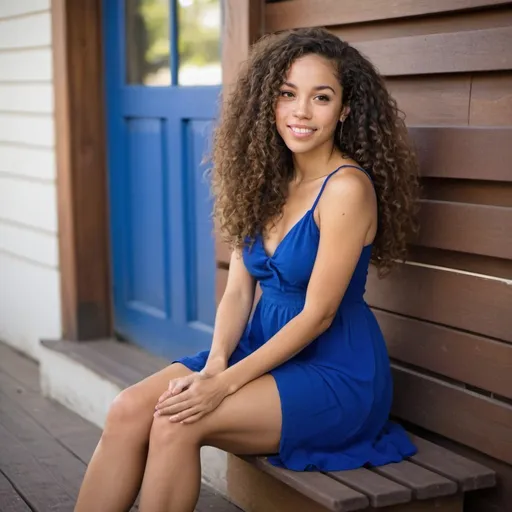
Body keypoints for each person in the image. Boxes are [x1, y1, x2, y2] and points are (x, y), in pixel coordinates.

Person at [75, 27, 420, 512]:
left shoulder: (347, 189)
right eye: (287, 94)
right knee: (130, 409)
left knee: (178, 421)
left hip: (334, 370)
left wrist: (224, 384)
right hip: (261, 351)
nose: (301, 111)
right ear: (268, 102)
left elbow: (318, 316)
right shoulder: (267, 180)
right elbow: (238, 293)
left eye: (320, 97)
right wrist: (216, 363)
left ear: (344, 110)